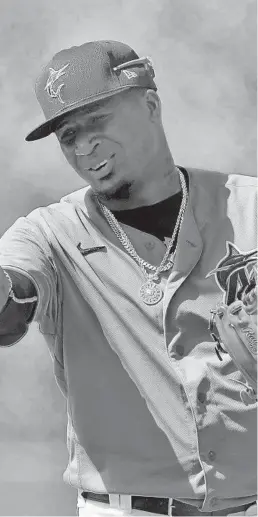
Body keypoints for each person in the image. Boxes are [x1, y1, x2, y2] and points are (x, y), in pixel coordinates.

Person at [0, 40, 257, 517]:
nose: (82, 145)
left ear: (151, 105)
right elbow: (10, 307)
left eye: (95, 120)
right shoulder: (49, 234)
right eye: (67, 134)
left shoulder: (249, 207)